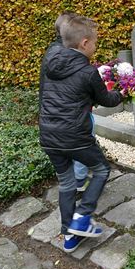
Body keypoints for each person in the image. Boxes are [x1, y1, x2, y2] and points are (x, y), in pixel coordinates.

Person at [39, 15, 123, 253]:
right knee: (102, 169)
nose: (96, 46)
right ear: (85, 43)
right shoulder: (87, 72)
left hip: (48, 134)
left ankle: (69, 235)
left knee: (66, 183)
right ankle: (82, 218)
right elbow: (106, 100)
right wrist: (123, 91)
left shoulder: (50, 60)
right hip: (74, 136)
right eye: (95, 42)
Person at [39, 11, 90, 192]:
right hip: (71, 113)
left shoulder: (52, 52)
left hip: (52, 112)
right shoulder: (70, 54)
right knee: (82, 139)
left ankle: (72, 183)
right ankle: (79, 180)